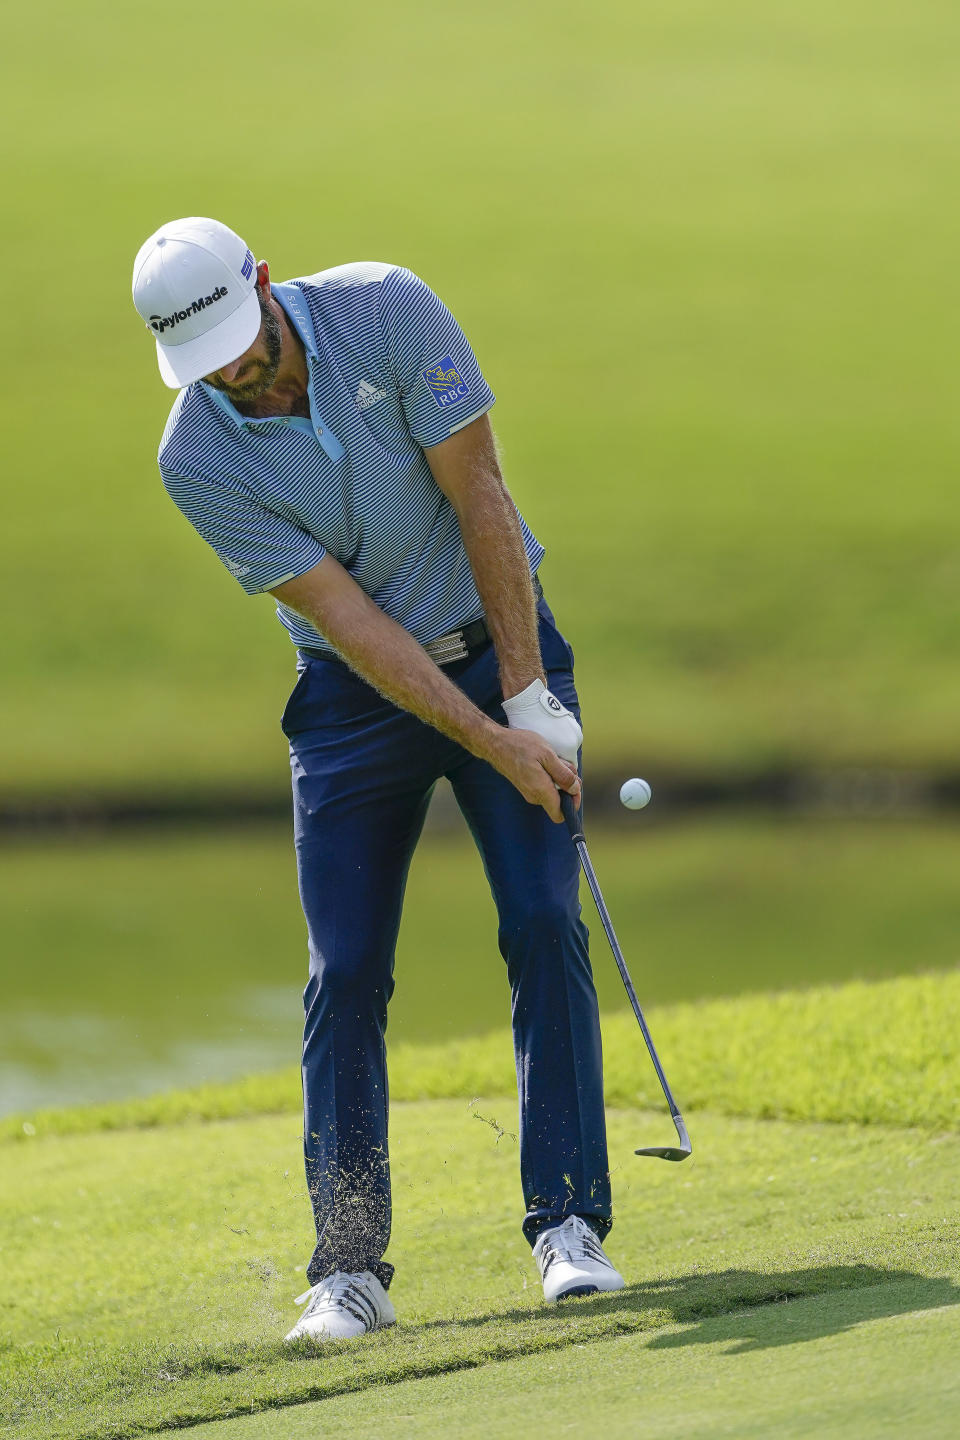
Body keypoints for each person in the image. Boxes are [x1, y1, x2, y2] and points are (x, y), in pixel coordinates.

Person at [131, 216, 624, 1341]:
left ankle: (567, 1229)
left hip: (500, 636)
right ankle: (350, 1268)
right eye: (211, 373)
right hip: (356, 699)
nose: (242, 382)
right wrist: (494, 742)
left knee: (544, 920)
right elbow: (352, 626)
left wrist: (527, 693)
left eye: (248, 353)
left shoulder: (385, 308)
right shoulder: (194, 460)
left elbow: (482, 493)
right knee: (344, 970)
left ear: (263, 286)